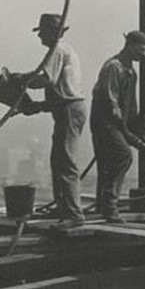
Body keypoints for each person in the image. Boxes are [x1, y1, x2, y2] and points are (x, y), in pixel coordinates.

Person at [15, 13, 87, 226]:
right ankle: (63, 207)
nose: (40, 37)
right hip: (66, 109)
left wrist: (22, 79)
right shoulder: (64, 50)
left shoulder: (57, 50)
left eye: (42, 32)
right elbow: (59, 91)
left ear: (52, 32)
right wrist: (37, 106)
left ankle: (73, 214)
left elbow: (46, 80)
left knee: (65, 162)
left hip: (69, 110)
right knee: (58, 161)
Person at [90, 30, 145, 224]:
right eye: (141, 49)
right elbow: (111, 102)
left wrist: (138, 132)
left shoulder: (131, 73)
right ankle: (110, 206)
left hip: (116, 123)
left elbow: (131, 107)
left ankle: (103, 207)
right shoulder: (113, 67)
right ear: (130, 45)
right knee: (123, 156)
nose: (144, 54)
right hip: (104, 122)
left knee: (107, 164)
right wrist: (124, 131)